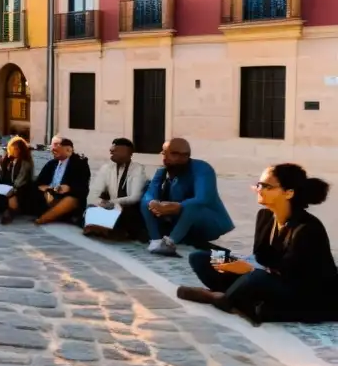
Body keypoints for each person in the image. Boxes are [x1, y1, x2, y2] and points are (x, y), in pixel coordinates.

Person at [180, 164, 338, 324]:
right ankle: (235, 296)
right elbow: (261, 256)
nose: (258, 189)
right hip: (267, 278)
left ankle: (220, 297)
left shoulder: (307, 228)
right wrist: (237, 264)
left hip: (303, 293)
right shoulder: (265, 216)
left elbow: (292, 275)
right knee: (201, 258)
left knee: (256, 277)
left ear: (288, 193)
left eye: (266, 186)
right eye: (258, 184)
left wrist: (249, 269)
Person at [142, 138, 234, 256]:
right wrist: (152, 202)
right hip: (173, 220)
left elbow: (203, 198)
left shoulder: (202, 169)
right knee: (144, 199)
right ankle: (155, 240)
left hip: (207, 220)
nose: (180, 158)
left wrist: (178, 206)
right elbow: (149, 193)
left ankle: (170, 242)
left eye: (184, 155)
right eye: (166, 153)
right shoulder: (161, 172)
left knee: (193, 205)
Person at [85, 138, 149, 240]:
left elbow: (134, 197)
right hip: (110, 207)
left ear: (129, 153)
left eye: (116, 148)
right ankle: (103, 228)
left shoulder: (137, 169)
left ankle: (105, 228)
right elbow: (93, 193)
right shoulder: (106, 168)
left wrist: (111, 202)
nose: (111, 150)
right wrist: (100, 203)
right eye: (112, 147)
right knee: (92, 207)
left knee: (127, 212)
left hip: (127, 209)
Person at [34, 137, 91, 225]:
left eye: (57, 149)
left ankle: (42, 219)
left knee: (70, 200)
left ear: (68, 150)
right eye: (53, 149)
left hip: (68, 197)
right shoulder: (51, 164)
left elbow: (83, 189)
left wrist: (69, 188)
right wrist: (46, 188)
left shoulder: (80, 164)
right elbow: (39, 182)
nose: (53, 151)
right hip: (50, 195)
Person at [0, 135, 35, 224]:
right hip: (7, 186)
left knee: (12, 195)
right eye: (13, 149)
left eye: (17, 149)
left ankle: (10, 211)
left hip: (20, 188)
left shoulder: (25, 163)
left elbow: (20, 180)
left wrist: (12, 189)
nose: (15, 151)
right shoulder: (8, 160)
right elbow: (2, 175)